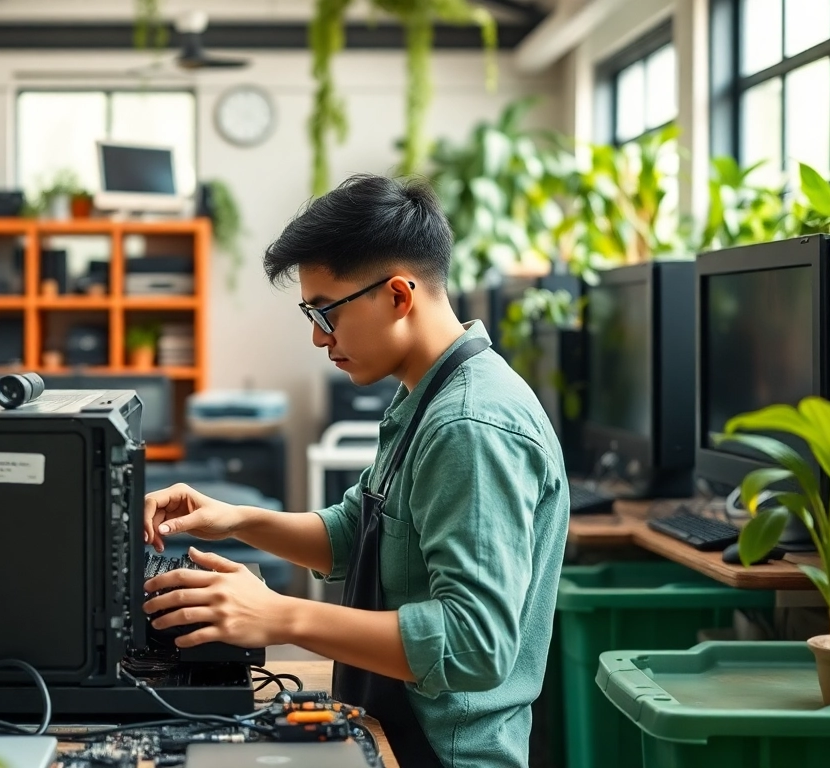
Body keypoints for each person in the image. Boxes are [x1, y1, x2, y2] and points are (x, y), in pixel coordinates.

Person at [141, 175, 570, 768]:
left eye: (326, 313)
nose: (319, 338)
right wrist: (232, 519)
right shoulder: (424, 395)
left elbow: (475, 645)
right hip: (394, 731)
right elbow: (357, 534)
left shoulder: (469, 424)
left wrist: (276, 613)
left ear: (398, 295)